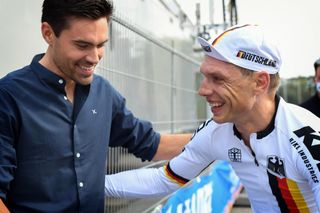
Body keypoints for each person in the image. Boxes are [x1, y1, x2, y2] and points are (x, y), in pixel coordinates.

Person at [0, 0, 192, 212]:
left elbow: (151, 144)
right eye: (82, 45)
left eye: (101, 45)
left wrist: (221, 136)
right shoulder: (8, 97)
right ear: (48, 33)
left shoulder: (103, 93)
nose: (94, 57)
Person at [105, 24, 320, 212]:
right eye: (205, 76)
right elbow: (163, 180)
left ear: (260, 82)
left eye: (217, 78)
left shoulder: (305, 137)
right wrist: (83, 185)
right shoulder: (216, 132)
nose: (203, 90)